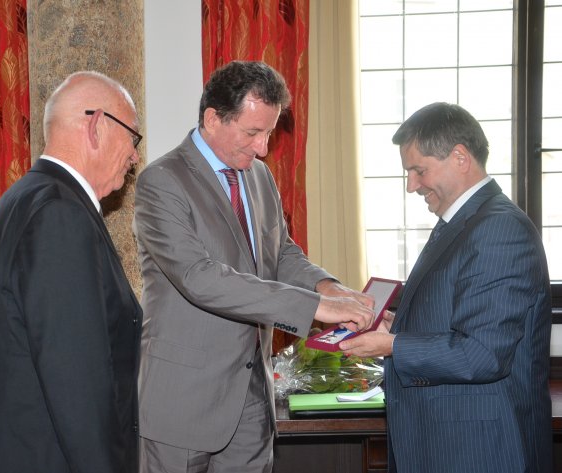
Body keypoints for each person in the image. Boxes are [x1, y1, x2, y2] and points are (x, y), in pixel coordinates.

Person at [134, 60, 375, 472]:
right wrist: (314, 307)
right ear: (213, 118)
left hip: (252, 398)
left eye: (269, 133)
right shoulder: (162, 181)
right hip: (184, 399)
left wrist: (328, 288)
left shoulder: (259, 176)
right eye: (252, 133)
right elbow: (199, 277)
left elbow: (281, 254)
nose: (263, 147)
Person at [340, 102, 553, 473]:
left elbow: (483, 354)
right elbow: (454, 317)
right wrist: (395, 326)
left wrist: (392, 345)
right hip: (446, 443)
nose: (411, 186)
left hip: (480, 451)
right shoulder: (462, 223)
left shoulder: (498, 229)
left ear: (460, 157)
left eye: (419, 170)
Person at [0, 71, 143, 473]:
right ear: (98, 126)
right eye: (133, 137)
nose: (134, 157)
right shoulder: (59, 214)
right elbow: (76, 385)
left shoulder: (26, 197)